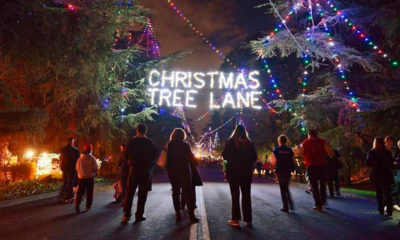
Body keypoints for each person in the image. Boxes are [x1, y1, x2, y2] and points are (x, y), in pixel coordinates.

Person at [121, 124, 159, 223]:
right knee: (142, 193)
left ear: (137, 131)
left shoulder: (131, 141)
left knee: (130, 192)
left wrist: (129, 163)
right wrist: (150, 164)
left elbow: (125, 155)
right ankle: (139, 214)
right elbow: (155, 154)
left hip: (133, 169)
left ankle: (126, 214)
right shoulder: (149, 142)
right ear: (145, 131)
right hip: (145, 170)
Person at [222, 125, 257, 227]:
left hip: (233, 173)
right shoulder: (250, 144)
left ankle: (235, 219)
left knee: (235, 196)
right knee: (246, 196)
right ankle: (248, 219)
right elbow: (254, 157)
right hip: (246, 173)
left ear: (235, 132)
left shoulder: (230, 142)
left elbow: (225, 155)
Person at [166, 128, 199, 224]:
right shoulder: (185, 145)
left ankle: (177, 214)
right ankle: (192, 216)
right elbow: (190, 158)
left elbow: (166, 159)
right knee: (188, 193)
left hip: (172, 172)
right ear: (183, 136)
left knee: (175, 192)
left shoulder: (169, 145)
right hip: (184, 171)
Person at [301, 129, 333, 211]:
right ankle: (323, 200)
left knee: (314, 186)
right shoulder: (323, 141)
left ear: (309, 134)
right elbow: (329, 151)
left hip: (311, 166)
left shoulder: (305, 143)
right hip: (322, 165)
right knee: (322, 183)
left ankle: (318, 205)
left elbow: (301, 153)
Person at [366, 137, 394, 216]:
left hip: (376, 175)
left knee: (379, 193)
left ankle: (381, 209)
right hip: (386, 174)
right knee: (388, 193)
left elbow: (368, 163)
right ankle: (389, 210)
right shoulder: (387, 152)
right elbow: (391, 163)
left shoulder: (371, 152)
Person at [271, 135, 295, 212]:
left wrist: (273, 168)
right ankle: (290, 203)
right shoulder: (290, 150)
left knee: (282, 188)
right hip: (288, 170)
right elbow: (293, 160)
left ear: (279, 141)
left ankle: (286, 206)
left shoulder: (276, 150)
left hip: (280, 170)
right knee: (286, 186)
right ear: (286, 141)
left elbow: (273, 162)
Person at [75, 144, 98, 213]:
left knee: (80, 192)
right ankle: (88, 206)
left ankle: (77, 204)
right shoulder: (92, 159)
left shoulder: (80, 159)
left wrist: (80, 174)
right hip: (90, 177)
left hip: (81, 178)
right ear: (91, 150)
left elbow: (77, 168)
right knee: (89, 192)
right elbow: (95, 168)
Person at [59, 137, 80, 203]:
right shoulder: (75, 150)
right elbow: (78, 160)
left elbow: (61, 158)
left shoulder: (63, 149)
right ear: (72, 142)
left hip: (65, 168)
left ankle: (62, 195)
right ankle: (69, 196)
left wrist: (61, 166)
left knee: (65, 181)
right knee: (70, 182)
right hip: (72, 168)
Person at [385, 136, 400, 211]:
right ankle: (388, 204)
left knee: (395, 186)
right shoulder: (384, 150)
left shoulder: (395, 149)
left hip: (394, 170)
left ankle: (394, 203)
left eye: (387, 141)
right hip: (388, 171)